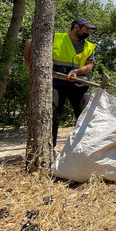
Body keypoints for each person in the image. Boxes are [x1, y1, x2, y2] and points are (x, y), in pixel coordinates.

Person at [24, 18, 97, 147]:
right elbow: (30, 42)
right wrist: (29, 64)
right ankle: (49, 148)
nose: (88, 32)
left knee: (85, 116)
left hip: (79, 85)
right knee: (52, 116)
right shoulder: (55, 38)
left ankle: (83, 149)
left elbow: (89, 66)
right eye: (86, 29)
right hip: (57, 83)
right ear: (76, 27)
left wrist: (77, 71)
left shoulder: (89, 46)